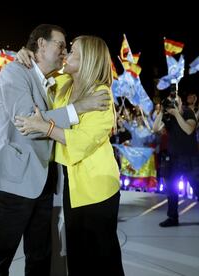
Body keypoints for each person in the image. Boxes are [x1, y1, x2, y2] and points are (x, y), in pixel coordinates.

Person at [0, 24, 110, 276]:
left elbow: (50, 115)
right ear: (41, 44)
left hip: (43, 184)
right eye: (61, 45)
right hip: (11, 183)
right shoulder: (14, 72)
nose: (65, 52)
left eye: (68, 49)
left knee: (40, 258)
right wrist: (79, 108)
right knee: (0, 261)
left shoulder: (54, 82)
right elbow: (27, 123)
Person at [15, 35, 124, 276]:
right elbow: (40, 71)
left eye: (73, 51)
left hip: (97, 187)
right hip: (71, 185)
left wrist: (46, 128)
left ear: (88, 60)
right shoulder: (64, 83)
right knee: (76, 256)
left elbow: (83, 141)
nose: (66, 53)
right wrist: (25, 54)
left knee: (103, 259)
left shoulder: (101, 94)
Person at [152, 93, 199, 234]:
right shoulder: (168, 116)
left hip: (191, 159)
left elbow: (188, 129)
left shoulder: (188, 112)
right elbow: (155, 128)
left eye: (175, 100)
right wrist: (162, 112)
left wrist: (177, 113)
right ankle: (172, 217)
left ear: (180, 101)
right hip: (173, 159)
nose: (173, 103)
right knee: (172, 191)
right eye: (170, 101)